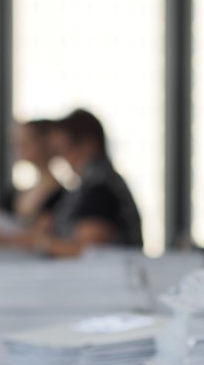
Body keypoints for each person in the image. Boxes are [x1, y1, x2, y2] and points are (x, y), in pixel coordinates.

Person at [13, 108, 143, 257]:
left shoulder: (100, 187)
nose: (62, 157)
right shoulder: (89, 184)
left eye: (65, 148)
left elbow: (89, 249)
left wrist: (43, 242)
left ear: (88, 145)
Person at [0, 119, 64, 242]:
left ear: (45, 143)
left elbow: (40, 240)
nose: (18, 148)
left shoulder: (62, 198)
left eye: (26, 141)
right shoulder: (14, 193)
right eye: (16, 142)